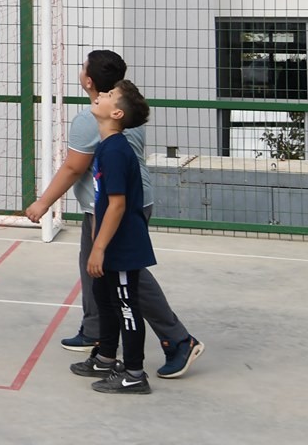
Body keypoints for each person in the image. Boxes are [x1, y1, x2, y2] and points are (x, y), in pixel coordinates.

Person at [24, 49, 203, 379]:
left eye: (82, 68)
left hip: (110, 207)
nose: (80, 71)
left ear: (88, 81)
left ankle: (178, 338)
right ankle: (97, 333)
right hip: (132, 199)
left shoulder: (90, 119)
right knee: (93, 268)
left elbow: (73, 167)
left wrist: (43, 202)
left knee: (128, 276)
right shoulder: (122, 109)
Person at [69, 80, 157, 396]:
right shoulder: (106, 146)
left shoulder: (117, 151)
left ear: (116, 113)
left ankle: (134, 373)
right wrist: (96, 239)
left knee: (127, 306)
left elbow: (118, 205)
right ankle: (106, 357)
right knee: (105, 299)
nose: (101, 95)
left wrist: (100, 248)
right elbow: (101, 199)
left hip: (122, 246)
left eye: (109, 95)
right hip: (108, 241)